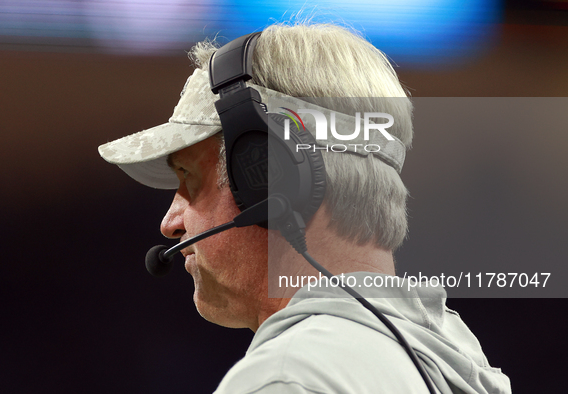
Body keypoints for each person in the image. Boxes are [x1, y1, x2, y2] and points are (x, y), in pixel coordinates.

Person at [99, 23, 511, 393]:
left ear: (269, 178)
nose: (170, 222)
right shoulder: (457, 364)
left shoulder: (287, 377)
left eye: (190, 178)